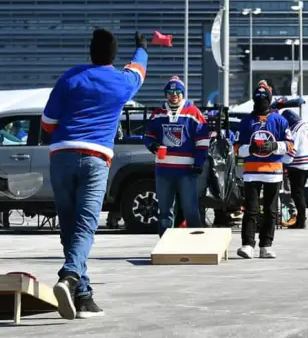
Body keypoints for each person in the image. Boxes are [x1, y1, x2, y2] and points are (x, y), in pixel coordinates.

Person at [42, 29, 147, 320]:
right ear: (114, 56)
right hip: (96, 157)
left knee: (69, 226)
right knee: (86, 225)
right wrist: (141, 47)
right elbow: (139, 69)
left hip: (61, 155)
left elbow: (47, 122)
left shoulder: (71, 77)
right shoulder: (122, 82)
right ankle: (70, 276)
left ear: (90, 52)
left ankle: (83, 295)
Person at [144, 76, 209, 236]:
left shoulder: (193, 112)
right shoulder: (158, 114)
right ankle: (165, 244)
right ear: (166, 93)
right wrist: (153, 146)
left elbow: (203, 141)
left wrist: (198, 163)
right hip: (164, 170)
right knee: (164, 211)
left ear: (183, 93)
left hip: (187, 170)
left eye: (178, 91)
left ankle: (197, 244)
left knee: (190, 209)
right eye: (170, 92)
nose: (174, 95)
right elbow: (148, 136)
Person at [235, 80, 293, 259]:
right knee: (250, 209)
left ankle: (266, 245)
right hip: (251, 173)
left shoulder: (280, 121)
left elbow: (290, 145)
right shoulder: (246, 122)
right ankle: (247, 245)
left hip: (273, 173)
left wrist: (275, 146)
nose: (261, 100)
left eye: (264, 97)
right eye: (258, 97)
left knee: (270, 210)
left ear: (270, 99)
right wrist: (249, 149)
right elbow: (236, 147)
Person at [280, 109, 308, 229]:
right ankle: (300, 218)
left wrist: (283, 162)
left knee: (297, 193)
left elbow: (292, 149)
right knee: (299, 192)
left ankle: (301, 220)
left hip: (298, 164)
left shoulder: (295, 129)